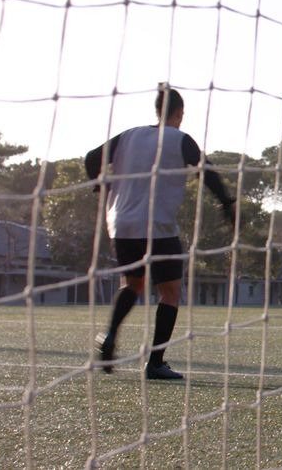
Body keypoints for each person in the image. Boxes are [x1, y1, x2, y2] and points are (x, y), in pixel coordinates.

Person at [85, 84, 235, 380]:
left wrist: (99, 182)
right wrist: (227, 203)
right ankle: (155, 362)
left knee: (133, 285)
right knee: (170, 292)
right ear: (179, 114)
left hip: (122, 225)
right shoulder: (179, 138)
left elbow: (91, 157)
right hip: (158, 227)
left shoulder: (129, 135)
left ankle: (110, 336)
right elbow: (208, 171)